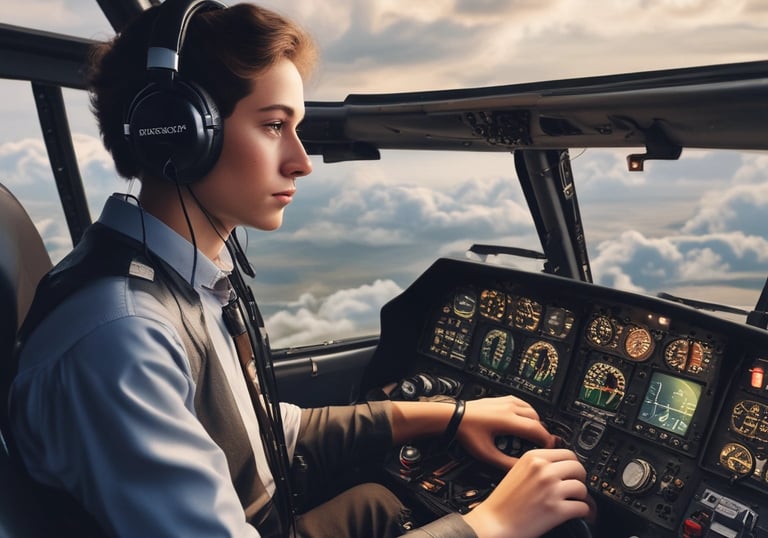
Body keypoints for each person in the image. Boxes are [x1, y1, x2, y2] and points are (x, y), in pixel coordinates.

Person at [8, 1, 595, 537]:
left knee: (383, 504)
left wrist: (446, 415)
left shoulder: (173, 279)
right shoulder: (124, 337)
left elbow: (264, 436)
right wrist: (493, 524)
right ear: (181, 134)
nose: (302, 161)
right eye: (272, 125)